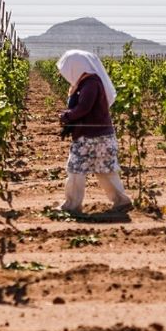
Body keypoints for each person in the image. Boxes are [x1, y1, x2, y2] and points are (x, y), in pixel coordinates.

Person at [57, 50, 133, 214]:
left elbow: (84, 108)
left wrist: (67, 116)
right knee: (104, 170)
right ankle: (121, 201)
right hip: (99, 136)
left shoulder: (90, 84)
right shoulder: (88, 82)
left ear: (77, 67)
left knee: (77, 168)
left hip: (91, 137)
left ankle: (72, 206)